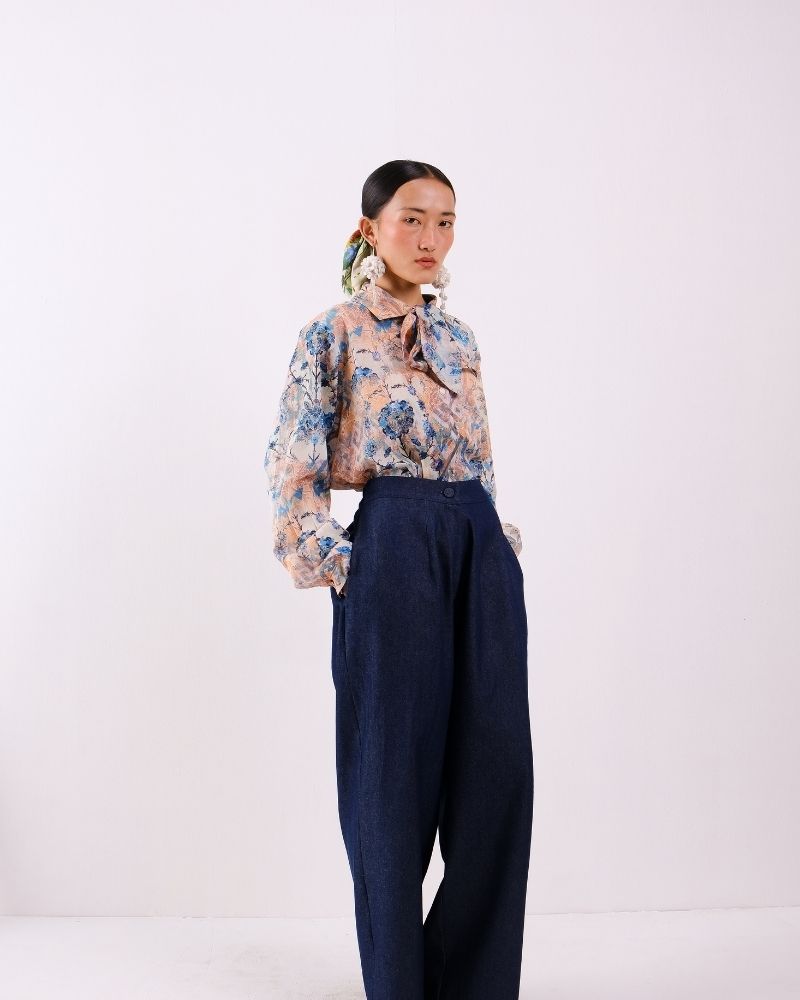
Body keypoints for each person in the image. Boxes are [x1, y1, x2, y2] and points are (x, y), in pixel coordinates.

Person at [263, 159, 534, 1000]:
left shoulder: (461, 339)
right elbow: (293, 462)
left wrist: (497, 548)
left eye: (445, 221)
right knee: (390, 786)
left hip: (478, 548)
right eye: (412, 218)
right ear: (370, 229)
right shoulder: (334, 332)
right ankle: (398, 984)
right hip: (393, 547)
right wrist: (341, 561)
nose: (429, 238)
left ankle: (470, 983)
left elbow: (481, 456)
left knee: (497, 779)